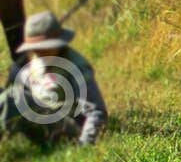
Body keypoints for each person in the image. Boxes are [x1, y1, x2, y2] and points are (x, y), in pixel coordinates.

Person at [0, 11, 107, 147]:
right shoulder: (27, 64)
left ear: (57, 44)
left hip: (67, 126)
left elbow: (96, 112)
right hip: (39, 117)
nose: (40, 53)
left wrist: (84, 144)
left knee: (11, 100)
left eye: (44, 48)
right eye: (36, 49)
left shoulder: (76, 67)